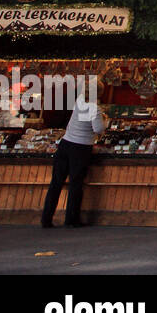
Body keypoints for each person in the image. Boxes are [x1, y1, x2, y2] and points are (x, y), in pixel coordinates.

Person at [41, 94, 108, 228]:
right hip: (81, 148)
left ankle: (46, 218)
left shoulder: (78, 103)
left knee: (56, 182)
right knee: (75, 183)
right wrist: (106, 121)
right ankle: (71, 219)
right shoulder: (94, 108)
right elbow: (98, 129)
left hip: (65, 145)